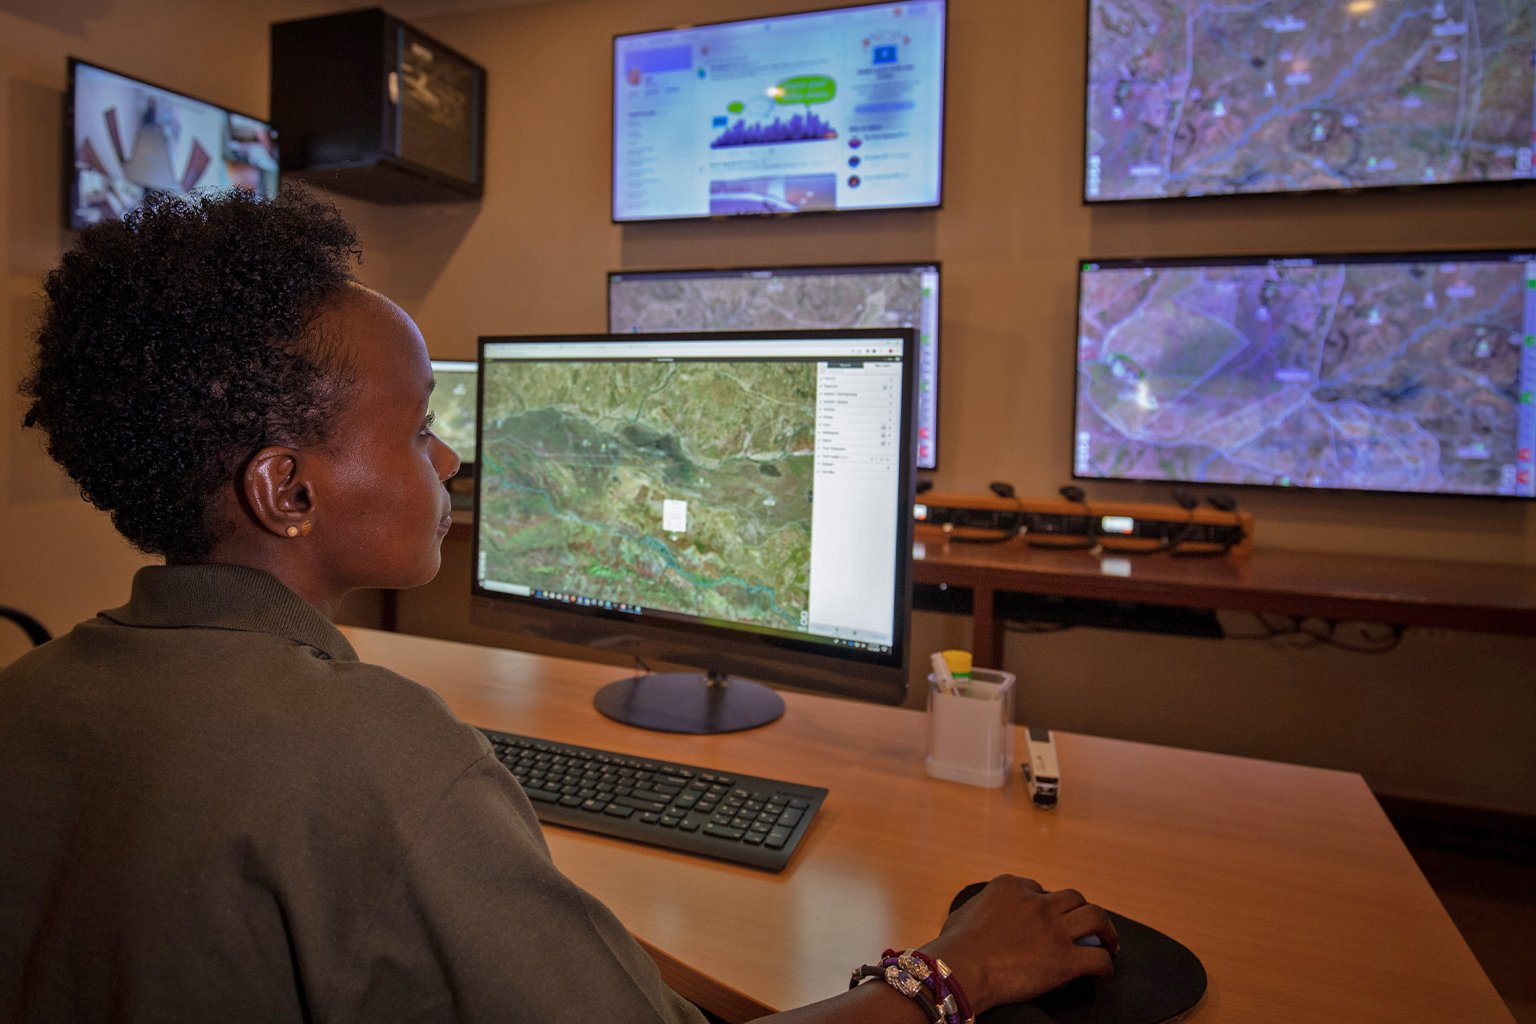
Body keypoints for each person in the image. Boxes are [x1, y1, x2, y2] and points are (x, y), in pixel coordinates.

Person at [0, 188, 1116, 1023]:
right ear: (287, 488)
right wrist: (946, 972)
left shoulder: (31, 693)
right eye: (418, 424)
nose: (447, 455)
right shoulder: (378, 754)